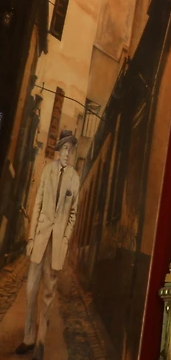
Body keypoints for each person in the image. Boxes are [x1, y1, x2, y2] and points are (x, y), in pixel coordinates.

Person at [17, 130, 80, 357]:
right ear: (59, 150)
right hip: (40, 239)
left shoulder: (74, 178)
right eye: (65, 149)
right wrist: (31, 238)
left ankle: (40, 343)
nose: (68, 154)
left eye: (71, 150)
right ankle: (28, 338)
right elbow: (37, 204)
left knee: (48, 295)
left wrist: (65, 240)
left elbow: (73, 215)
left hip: (56, 246)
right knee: (31, 290)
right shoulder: (47, 171)